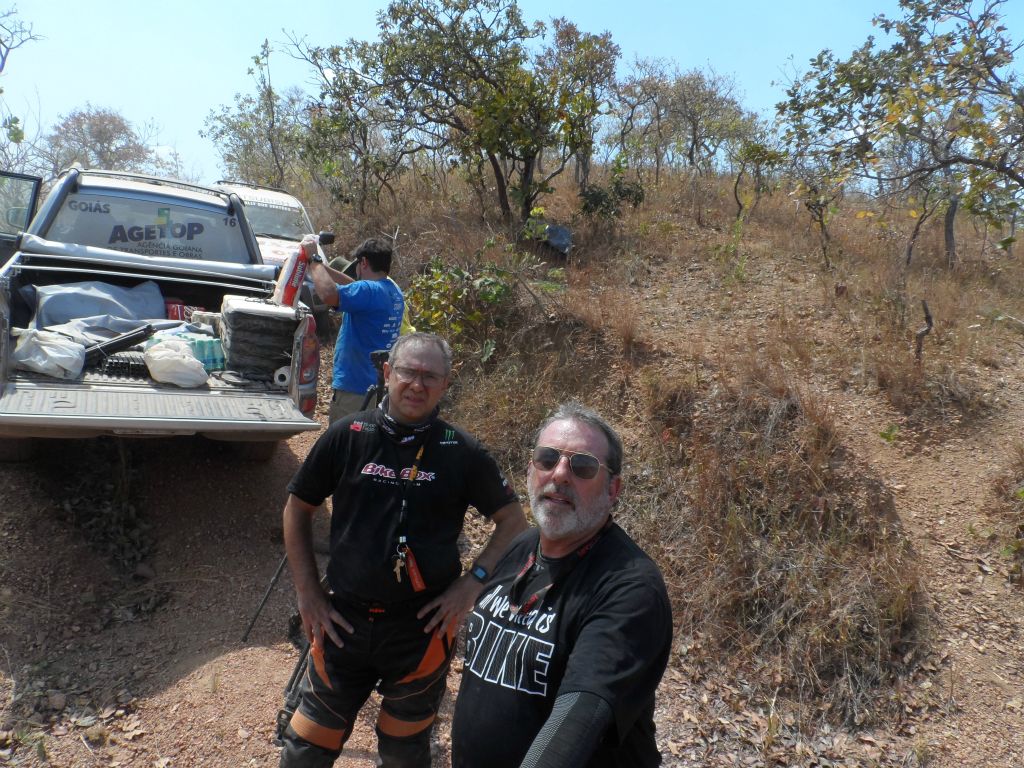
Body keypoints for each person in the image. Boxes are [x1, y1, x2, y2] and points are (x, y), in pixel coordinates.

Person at [279, 331, 528, 768]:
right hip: (342, 624)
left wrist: (473, 585)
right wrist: (307, 592)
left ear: (446, 384)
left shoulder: (461, 450)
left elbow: (513, 522)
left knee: (403, 754)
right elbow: (297, 509)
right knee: (305, 752)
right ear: (387, 373)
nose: (417, 384)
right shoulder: (348, 435)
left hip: (422, 629)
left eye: (430, 376)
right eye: (408, 372)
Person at [451, 402, 673, 768]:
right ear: (530, 470)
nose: (560, 474)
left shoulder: (630, 589)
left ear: (613, 489)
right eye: (547, 458)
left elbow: (577, 722)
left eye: (583, 466)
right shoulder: (522, 547)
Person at [309, 236, 405, 424]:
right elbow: (353, 286)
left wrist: (314, 260)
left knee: (345, 440)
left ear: (364, 262)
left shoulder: (367, 290)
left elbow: (328, 295)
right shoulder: (393, 291)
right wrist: (323, 269)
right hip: (378, 388)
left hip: (354, 390)